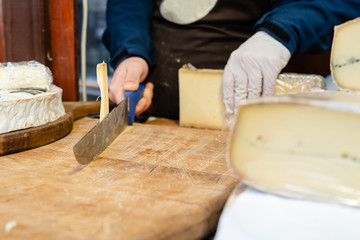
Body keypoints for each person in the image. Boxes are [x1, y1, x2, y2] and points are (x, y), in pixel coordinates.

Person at [102, 0, 360, 120]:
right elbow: (128, 5)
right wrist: (130, 52)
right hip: (150, 111)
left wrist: (278, 33)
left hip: (237, 122)